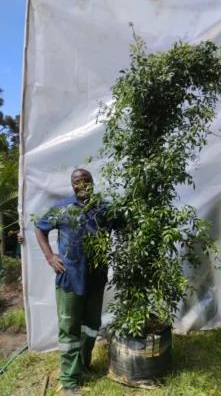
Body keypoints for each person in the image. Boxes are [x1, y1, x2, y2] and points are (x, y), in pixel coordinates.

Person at [34, 169, 121, 396]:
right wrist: (50, 256)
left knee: (91, 325)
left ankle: (84, 364)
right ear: (72, 185)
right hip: (69, 281)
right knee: (69, 331)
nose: (82, 184)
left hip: (96, 279)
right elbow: (40, 228)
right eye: (77, 182)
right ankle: (70, 380)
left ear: (92, 182)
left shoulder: (104, 209)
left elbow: (125, 224)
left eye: (86, 180)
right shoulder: (62, 208)